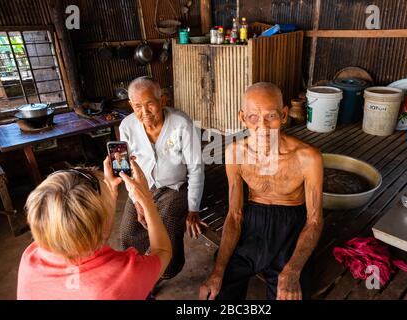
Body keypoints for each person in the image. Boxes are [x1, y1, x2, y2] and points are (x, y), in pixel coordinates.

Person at [200, 82, 324, 300]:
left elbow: (314, 220)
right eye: (253, 117)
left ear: (284, 115)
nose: (263, 127)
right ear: (242, 117)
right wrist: (218, 270)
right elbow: (235, 215)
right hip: (252, 223)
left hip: (292, 226)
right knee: (217, 293)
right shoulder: (234, 153)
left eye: (271, 116)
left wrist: (293, 269)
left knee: (291, 293)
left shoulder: (308, 157)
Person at [17, 157, 172, 300]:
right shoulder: (123, 276)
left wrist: (110, 190)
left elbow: (92, 234)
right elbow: (163, 252)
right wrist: (147, 200)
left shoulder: (31, 257)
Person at [119, 77, 206, 280]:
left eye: (150, 104)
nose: (145, 112)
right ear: (131, 105)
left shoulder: (181, 123)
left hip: (175, 188)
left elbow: (196, 168)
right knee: (128, 233)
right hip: (141, 188)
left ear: (163, 101)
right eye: (138, 106)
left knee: (166, 223)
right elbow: (125, 169)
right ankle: (138, 276)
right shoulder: (127, 126)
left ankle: (164, 272)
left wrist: (193, 208)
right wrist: (136, 201)